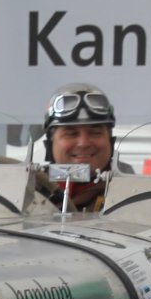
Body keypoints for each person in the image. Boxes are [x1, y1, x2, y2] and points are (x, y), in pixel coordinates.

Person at [38, 83, 117, 212]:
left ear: (110, 141)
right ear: (50, 143)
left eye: (95, 133)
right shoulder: (27, 189)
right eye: (71, 133)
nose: (83, 143)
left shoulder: (131, 192)